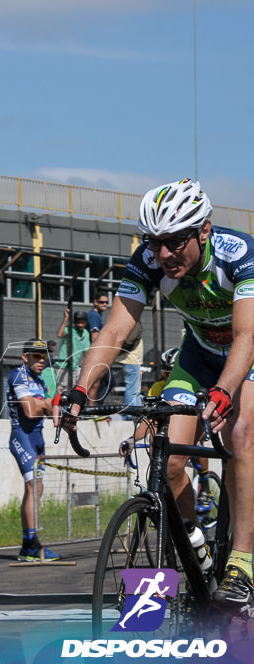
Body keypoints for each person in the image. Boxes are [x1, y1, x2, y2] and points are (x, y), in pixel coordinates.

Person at [55, 179, 254, 610]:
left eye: (175, 242)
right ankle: (194, 544)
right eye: (155, 242)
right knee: (167, 459)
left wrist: (224, 392)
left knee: (240, 435)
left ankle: (242, 562)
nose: (164, 254)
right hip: (197, 358)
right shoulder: (148, 262)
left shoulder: (239, 254)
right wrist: (79, 390)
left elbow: (245, 334)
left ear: (204, 230)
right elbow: (114, 330)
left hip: (246, 355)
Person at [8, 340, 59, 561]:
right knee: (33, 486)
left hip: (38, 438)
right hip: (22, 435)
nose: (42, 360)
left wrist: (48, 404)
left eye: (44, 356)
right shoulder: (19, 375)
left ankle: (28, 543)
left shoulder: (40, 380)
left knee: (36, 489)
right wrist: (46, 404)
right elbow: (30, 410)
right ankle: (30, 543)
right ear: (25, 356)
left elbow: (50, 413)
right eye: (36, 356)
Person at [57, 310, 91, 386]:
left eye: (82, 323)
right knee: (63, 390)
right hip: (63, 366)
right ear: (74, 323)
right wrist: (66, 318)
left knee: (74, 390)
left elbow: (86, 352)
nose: (80, 325)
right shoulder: (69, 330)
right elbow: (59, 334)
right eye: (78, 323)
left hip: (74, 367)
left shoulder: (86, 333)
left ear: (85, 323)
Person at [119, 323, 144, 406]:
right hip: (132, 361)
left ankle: (137, 412)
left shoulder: (133, 323)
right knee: (132, 389)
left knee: (135, 389)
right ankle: (131, 413)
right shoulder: (134, 323)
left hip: (132, 361)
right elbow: (129, 340)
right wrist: (120, 351)